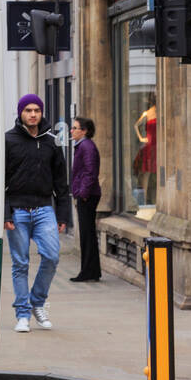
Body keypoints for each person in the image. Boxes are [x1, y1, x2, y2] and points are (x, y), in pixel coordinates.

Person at [4, 93, 69, 332]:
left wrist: (63, 214)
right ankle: (23, 314)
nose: (33, 114)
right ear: (20, 112)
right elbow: (1, 180)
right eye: (28, 110)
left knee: (51, 256)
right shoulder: (9, 140)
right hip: (18, 211)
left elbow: (61, 180)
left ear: (42, 113)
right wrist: (5, 214)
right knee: (20, 264)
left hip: (44, 209)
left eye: (37, 110)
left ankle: (37, 302)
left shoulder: (51, 140)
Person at [70, 116, 103, 282]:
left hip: (88, 196)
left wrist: (83, 193)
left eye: (75, 128)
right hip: (87, 194)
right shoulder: (82, 146)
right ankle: (91, 271)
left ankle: (88, 271)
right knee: (87, 234)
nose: (72, 131)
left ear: (84, 131)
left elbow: (90, 172)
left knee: (87, 234)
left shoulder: (86, 146)